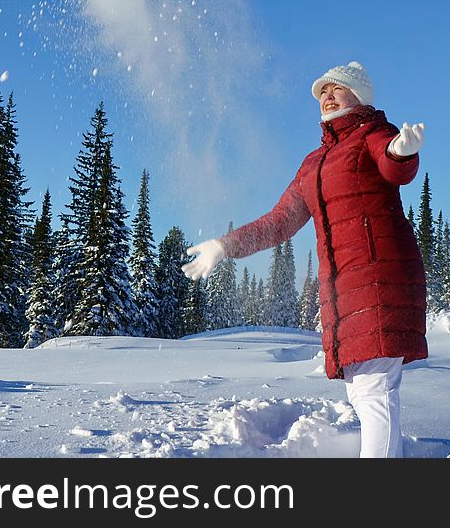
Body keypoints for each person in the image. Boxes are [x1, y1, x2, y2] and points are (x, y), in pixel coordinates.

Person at [182, 61, 427, 458]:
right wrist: (225, 246)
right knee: (366, 392)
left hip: (381, 280)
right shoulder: (314, 163)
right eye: (323, 93)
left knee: (373, 388)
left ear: (359, 98)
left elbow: (391, 163)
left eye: (338, 89)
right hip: (345, 291)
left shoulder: (372, 132)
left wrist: (402, 153)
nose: (328, 97)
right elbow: (279, 222)